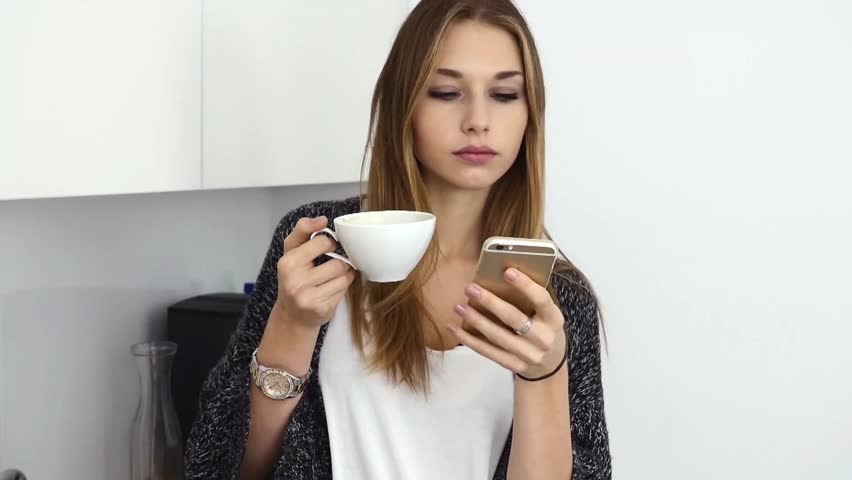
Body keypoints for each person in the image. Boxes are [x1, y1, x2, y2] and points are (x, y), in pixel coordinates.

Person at [184, 0, 611, 478]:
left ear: (531, 114)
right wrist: (292, 324)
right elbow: (223, 469)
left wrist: (544, 377)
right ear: (403, 104)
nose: (477, 119)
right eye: (447, 92)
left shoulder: (558, 300)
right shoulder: (319, 245)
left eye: (505, 95)